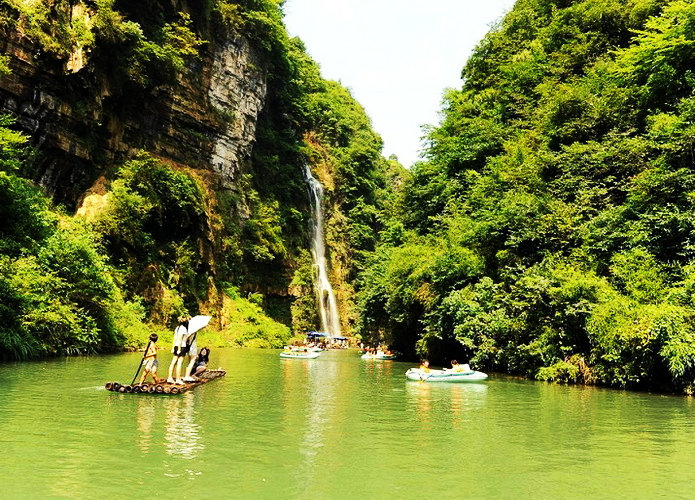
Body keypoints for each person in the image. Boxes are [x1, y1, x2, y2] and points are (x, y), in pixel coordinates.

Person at [167, 316, 190, 385]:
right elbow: (180, 339)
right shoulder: (183, 329)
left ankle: (169, 378)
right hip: (181, 347)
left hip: (176, 346)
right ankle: (178, 379)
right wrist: (179, 349)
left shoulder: (177, 328)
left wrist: (173, 347)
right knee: (179, 363)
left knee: (173, 362)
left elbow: (175, 339)